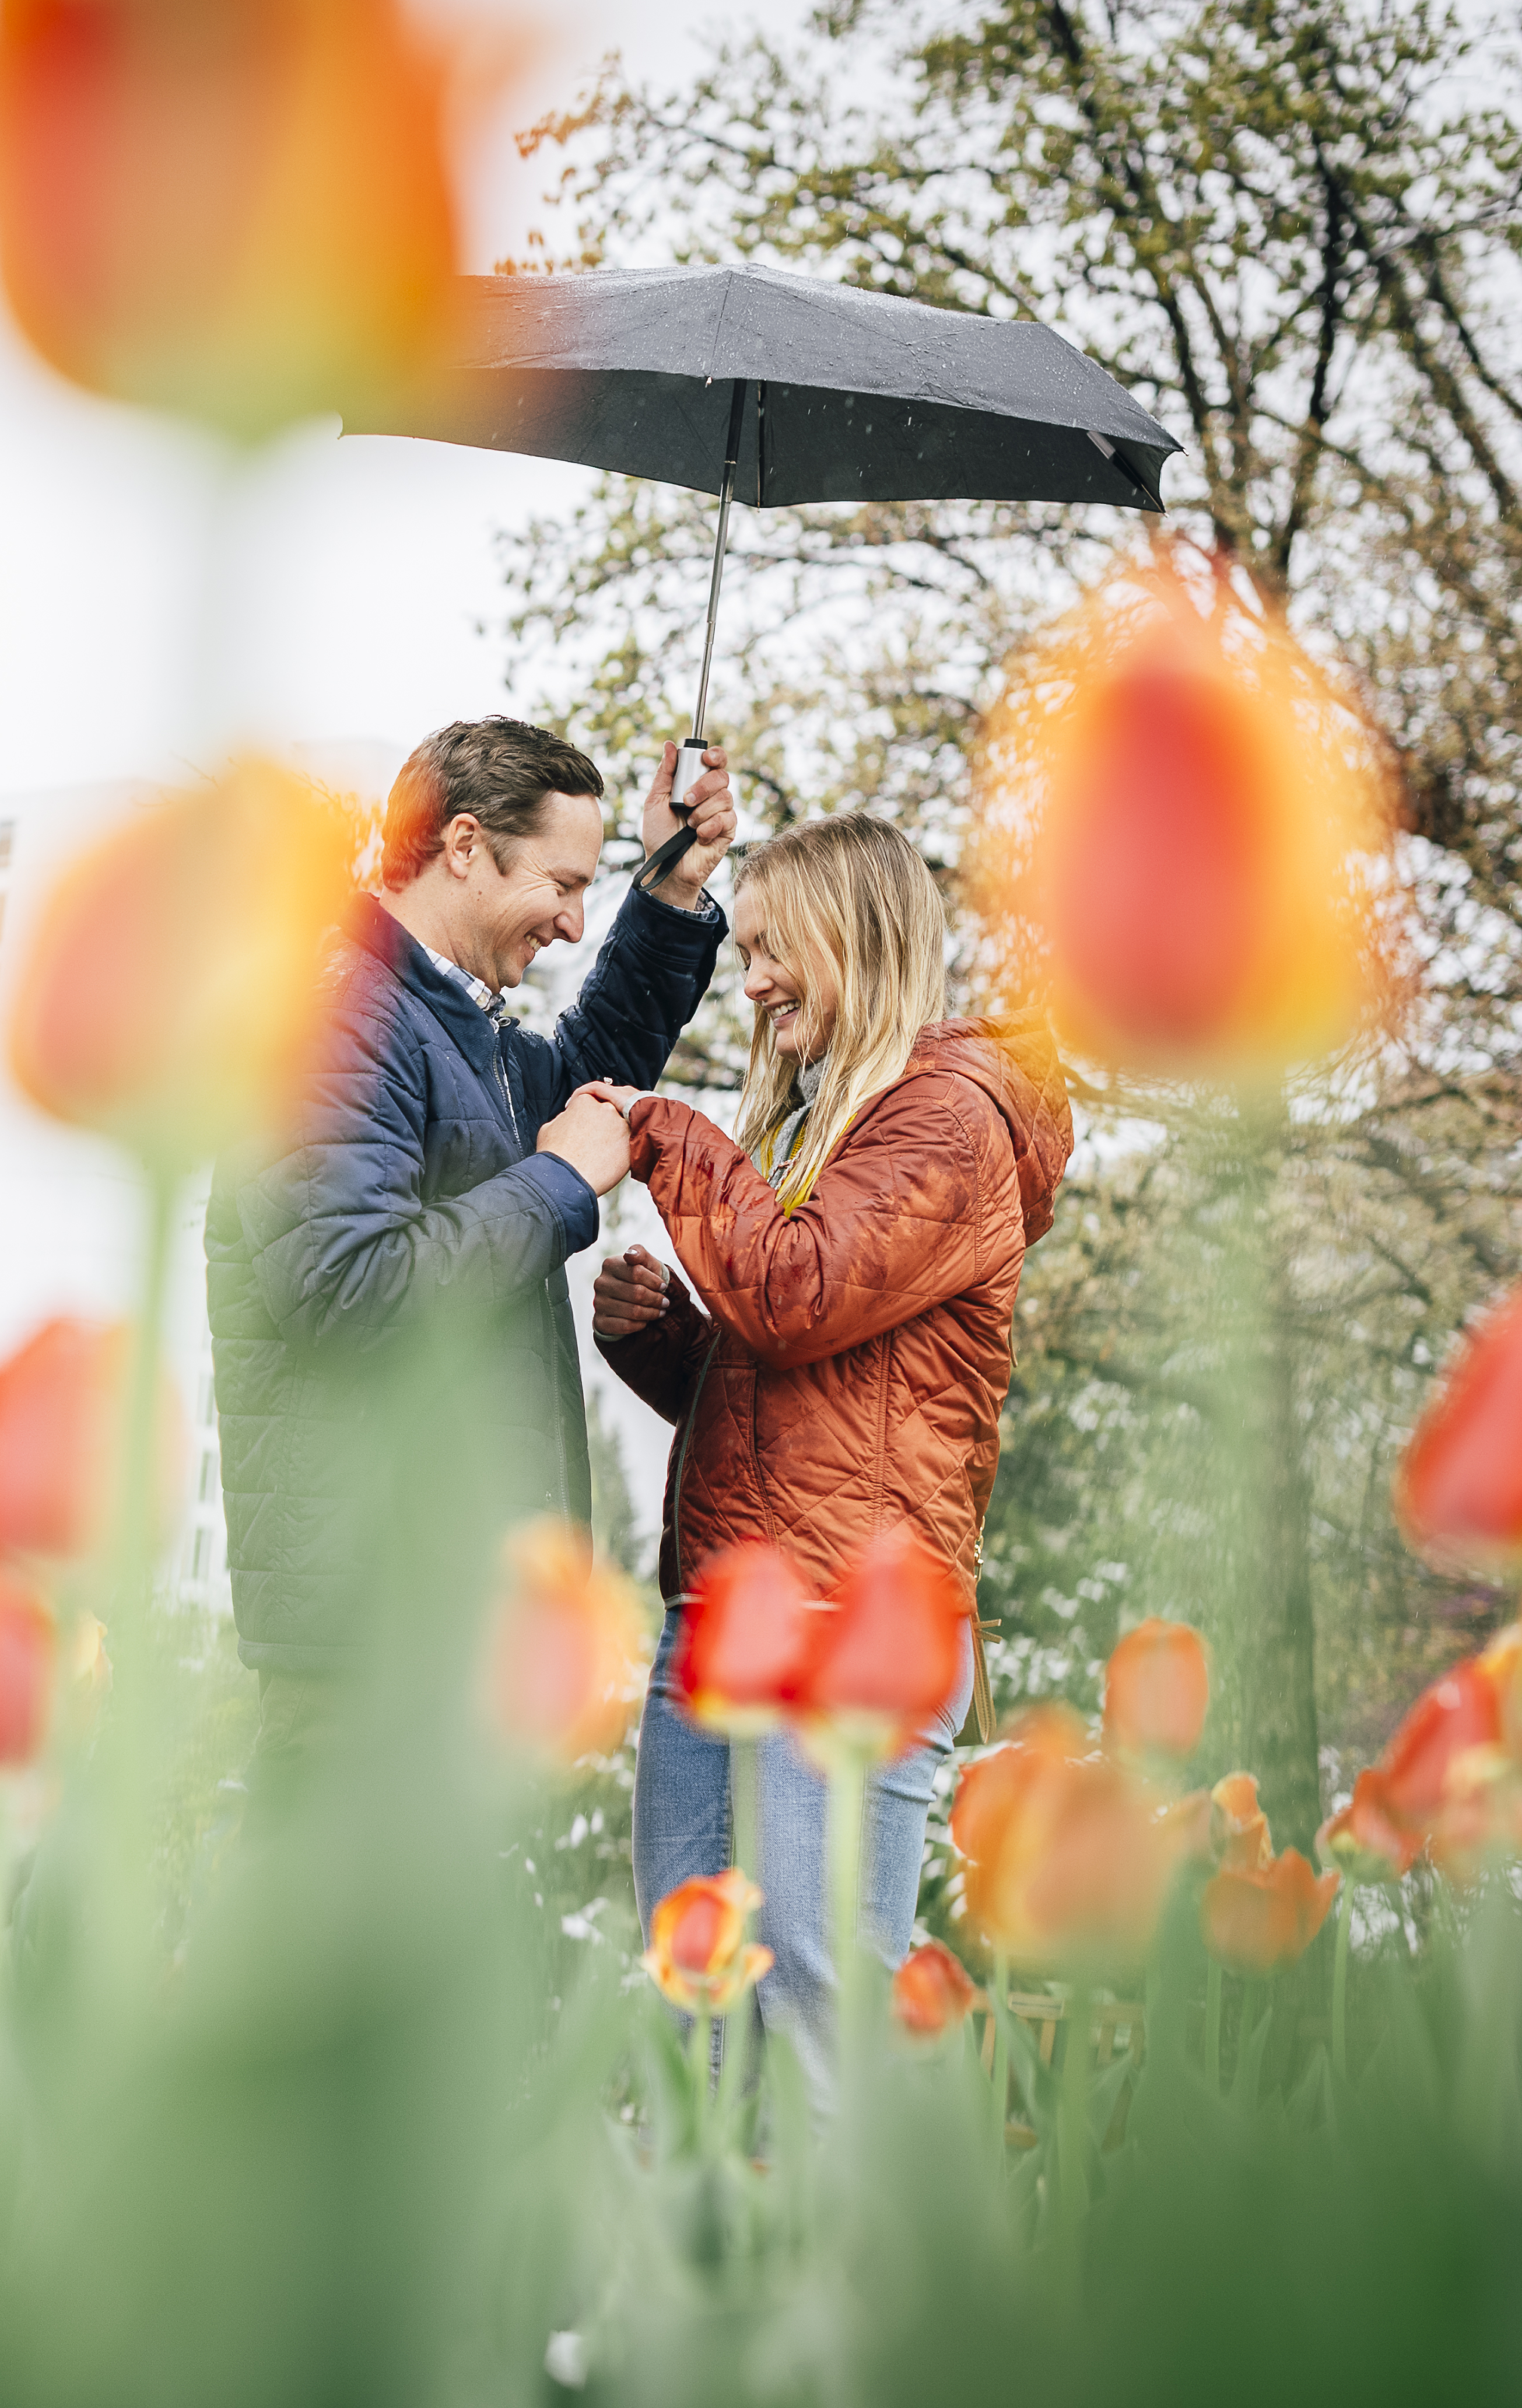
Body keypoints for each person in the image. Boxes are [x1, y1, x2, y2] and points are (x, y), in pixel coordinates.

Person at [580, 811, 1073, 2086]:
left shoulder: (948, 1124)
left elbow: (796, 1293)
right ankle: (707, 2223)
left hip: (852, 1622)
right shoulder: (820, 1125)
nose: (750, 983)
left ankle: (846, 2228)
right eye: (743, 953)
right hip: (728, 1612)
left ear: (856, 938)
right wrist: (667, 1340)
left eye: (770, 951)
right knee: (696, 1990)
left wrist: (664, 1134)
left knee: (815, 1991)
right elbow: (807, 1407)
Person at [205, 716, 735, 1790]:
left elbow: (587, 1077)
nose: (576, 923)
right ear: (462, 846)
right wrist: (557, 1183)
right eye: (562, 884)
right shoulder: (337, 1014)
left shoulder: (448, 1029)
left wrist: (670, 889)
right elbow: (347, 1291)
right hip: (370, 1639)